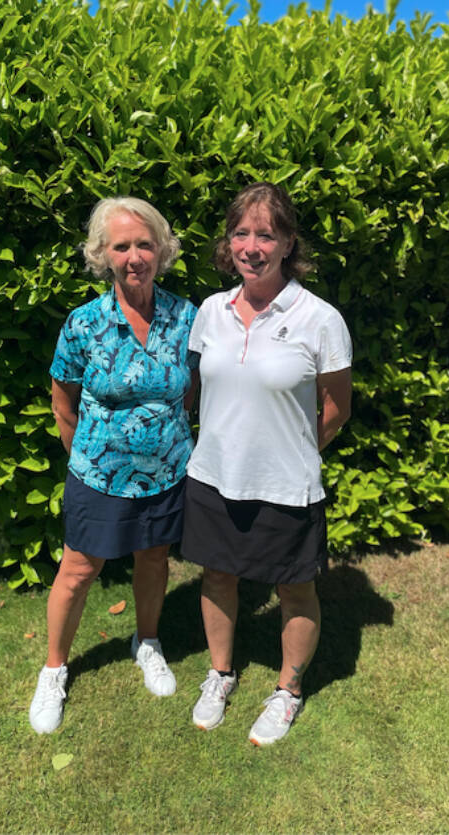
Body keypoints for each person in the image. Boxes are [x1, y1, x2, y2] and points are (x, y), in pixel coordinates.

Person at [183, 181, 352, 746]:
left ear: (287, 244)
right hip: (213, 477)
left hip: (287, 484)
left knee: (296, 590)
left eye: (265, 234)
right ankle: (220, 674)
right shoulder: (210, 312)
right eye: (241, 233)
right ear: (228, 242)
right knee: (217, 575)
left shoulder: (319, 318)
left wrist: (291, 452)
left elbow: (336, 408)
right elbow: (197, 392)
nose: (251, 246)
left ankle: (287, 692)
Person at [28, 197, 197, 734]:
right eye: (121, 246)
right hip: (99, 475)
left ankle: (147, 642)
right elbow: (63, 402)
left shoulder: (185, 317)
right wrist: (90, 457)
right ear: (103, 255)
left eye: (144, 244)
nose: (134, 256)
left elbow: (192, 394)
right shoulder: (84, 325)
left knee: (154, 559)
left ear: (162, 250)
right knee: (78, 571)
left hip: (168, 473)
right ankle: (53, 669)